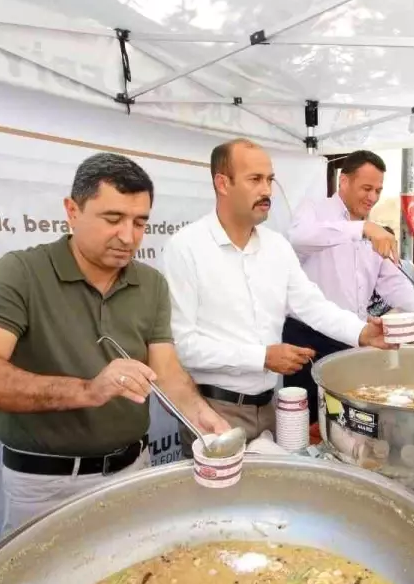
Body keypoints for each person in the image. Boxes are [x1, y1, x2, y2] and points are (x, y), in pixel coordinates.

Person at [0, 153, 230, 534]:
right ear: (72, 210)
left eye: (140, 222)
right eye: (113, 219)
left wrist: (199, 414)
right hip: (46, 486)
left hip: (133, 470)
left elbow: (167, 372)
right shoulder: (22, 272)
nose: (128, 237)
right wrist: (89, 390)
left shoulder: (151, 284)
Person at [163, 139, 390, 445]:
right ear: (223, 183)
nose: (267, 191)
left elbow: (313, 306)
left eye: (269, 180)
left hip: (272, 407)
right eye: (255, 179)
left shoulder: (276, 246)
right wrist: (262, 357)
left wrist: (363, 332)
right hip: (212, 410)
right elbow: (184, 346)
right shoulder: (186, 247)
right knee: (223, 494)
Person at [286, 150, 414, 421]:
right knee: (307, 421)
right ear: (344, 182)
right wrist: (360, 230)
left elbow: (392, 279)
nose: (372, 197)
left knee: (346, 418)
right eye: (367, 188)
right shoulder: (314, 210)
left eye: (378, 190)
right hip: (308, 337)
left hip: (354, 336)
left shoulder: (373, 230)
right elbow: (299, 238)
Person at [367, 227, 414, 318]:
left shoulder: (408, 268)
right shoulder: (368, 272)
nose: (385, 251)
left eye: (389, 245)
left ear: (395, 245)